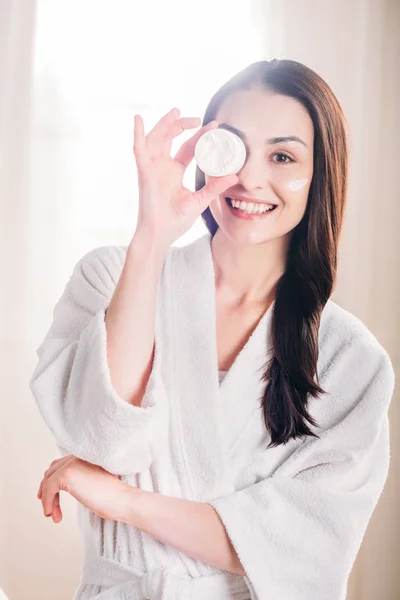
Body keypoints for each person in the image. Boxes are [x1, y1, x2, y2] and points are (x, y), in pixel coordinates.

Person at [30, 59, 395, 600]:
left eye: (282, 155)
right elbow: (98, 439)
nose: (250, 177)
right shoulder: (112, 277)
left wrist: (128, 503)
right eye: (234, 147)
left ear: (321, 174)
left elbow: (300, 548)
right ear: (205, 152)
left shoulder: (350, 359)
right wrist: (151, 238)